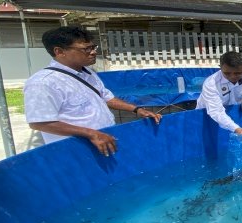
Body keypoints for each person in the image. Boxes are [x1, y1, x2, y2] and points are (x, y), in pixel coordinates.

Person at [24, 26, 161, 156]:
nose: (94, 52)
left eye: (93, 47)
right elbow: (39, 122)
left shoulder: (87, 72)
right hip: (75, 150)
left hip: (102, 142)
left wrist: (137, 109)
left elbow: (107, 97)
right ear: (59, 51)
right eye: (86, 49)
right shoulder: (43, 83)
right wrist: (91, 133)